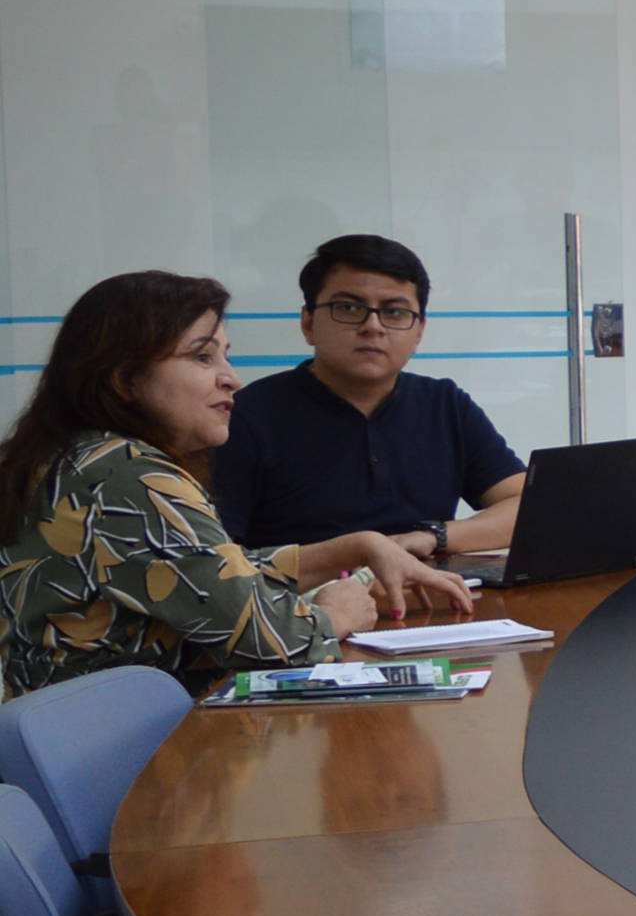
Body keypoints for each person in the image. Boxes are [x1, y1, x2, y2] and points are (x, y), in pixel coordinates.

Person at [0, 272, 466, 696]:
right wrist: (336, 615)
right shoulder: (130, 477)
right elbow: (274, 643)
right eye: (203, 357)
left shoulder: (78, 453)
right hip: (122, 747)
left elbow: (201, 570)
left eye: (225, 355)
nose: (232, 379)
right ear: (125, 378)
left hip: (76, 730)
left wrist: (357, 547)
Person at [213, 233, 528, 572]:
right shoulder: (245, 417)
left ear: (419, 332)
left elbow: (531, 506)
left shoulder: (444, 405)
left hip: (432, 603)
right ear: (307, 323)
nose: (373, 326)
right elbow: (219, 564)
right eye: (349, 308)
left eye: (394, 312)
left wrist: (431, 536)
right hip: (308, 614)